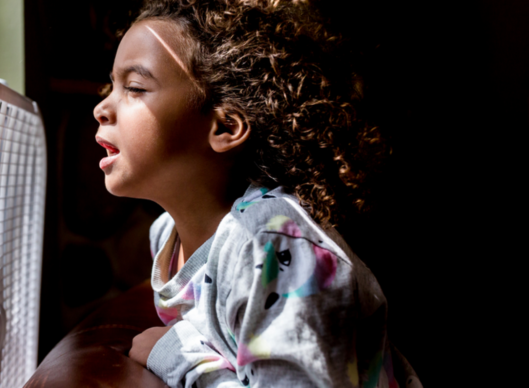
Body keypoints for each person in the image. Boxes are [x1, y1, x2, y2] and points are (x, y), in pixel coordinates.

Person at [93, 0, 421, 386]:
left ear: (225, 128)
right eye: (111, 86)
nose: (102, 108)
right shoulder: (166, 235)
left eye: (134, 87)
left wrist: (176, 356)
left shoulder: (272, 245)